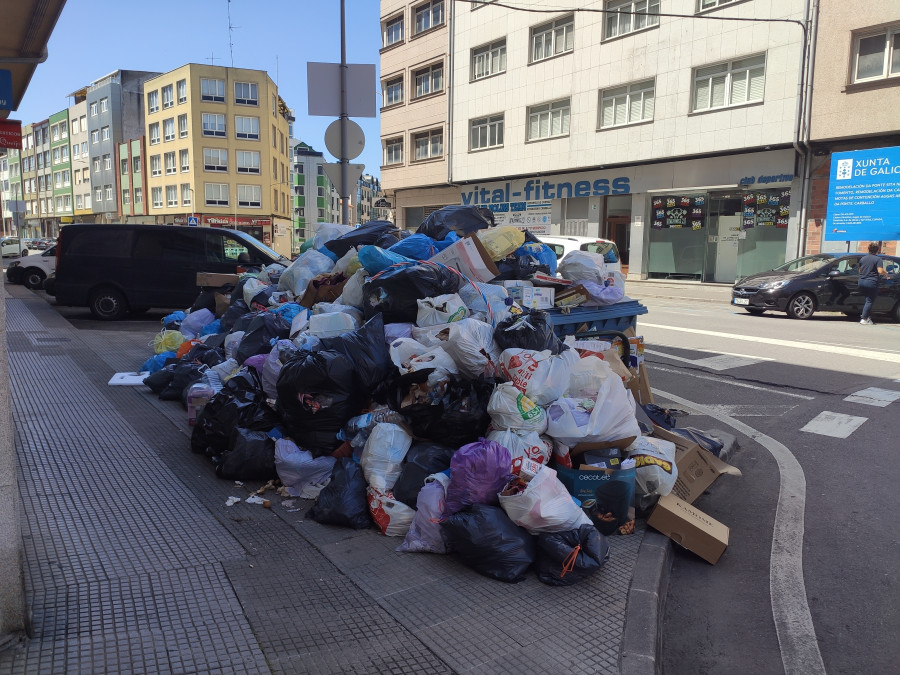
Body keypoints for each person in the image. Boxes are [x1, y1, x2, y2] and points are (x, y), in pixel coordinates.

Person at [857, 242, 889, 325]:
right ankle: (864, 318)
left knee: (866, 299)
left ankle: (865, 315)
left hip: (861, 281)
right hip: (871, 282)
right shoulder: (878, 259)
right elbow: (880, 271)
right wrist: (885, 273)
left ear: (868, 249)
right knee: (869, 300)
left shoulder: (863, 258)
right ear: (877, 250)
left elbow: (860, 271)